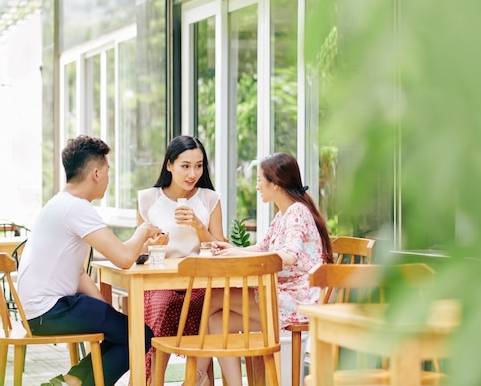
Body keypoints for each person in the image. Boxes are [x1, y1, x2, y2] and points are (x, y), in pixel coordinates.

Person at [17, 135, 162, 386]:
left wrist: (107, 312)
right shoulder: (77, 209)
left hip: (42, 310)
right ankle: (76, 382)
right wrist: (142, 231)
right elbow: (124, 258)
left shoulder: (59, 203)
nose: (107, 178)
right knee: (140, 335)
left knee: (123, 332)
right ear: (96, 173)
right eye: (107, 171)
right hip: (51, 311)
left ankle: (70, 381)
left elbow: (80, 274)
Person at [193, 152, 334, 386]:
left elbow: (289, 255)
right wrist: (231, 247)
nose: (257, 186)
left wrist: (236, 254)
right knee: (217, 321)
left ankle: (198, 377)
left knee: (215, 296)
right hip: (281, 297)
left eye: (260, 180)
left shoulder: (297, 212)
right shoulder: (284, 213)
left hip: (298, 302)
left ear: (275, 184)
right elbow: (263, 246)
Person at [137, 135, 225, 386]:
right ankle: (154, 379)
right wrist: (151, 245)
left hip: (199, 283)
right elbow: (139, 250)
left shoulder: (209, 199)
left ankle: (197, 377)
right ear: (169, 165)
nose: (192, 173)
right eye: (185, 165)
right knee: (163, 306)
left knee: (206, 306)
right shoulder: (148, 199)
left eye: (198, 166)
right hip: (160, 282)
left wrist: (199, 226)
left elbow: (219, 246)